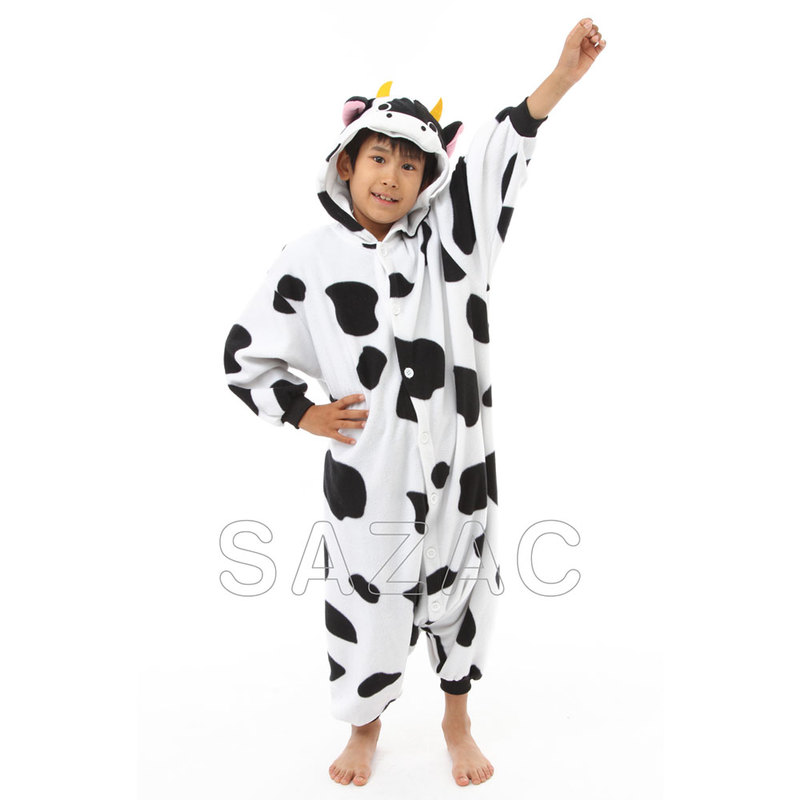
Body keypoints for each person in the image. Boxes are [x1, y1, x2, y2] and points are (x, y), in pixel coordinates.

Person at [223, 17, 606, 788]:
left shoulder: (452, 245)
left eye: (409, 164)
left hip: (461, 464)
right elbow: (245, 355)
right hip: (370, 474)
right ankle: (364, 728)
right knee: (366, 599)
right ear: (346, 162)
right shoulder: (309, 260)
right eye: (378, 158)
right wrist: (305, 412)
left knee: (464, 591)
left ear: (428, 177)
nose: (391, 177)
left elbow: (494, 159)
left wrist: (560, 80)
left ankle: (456, 718)